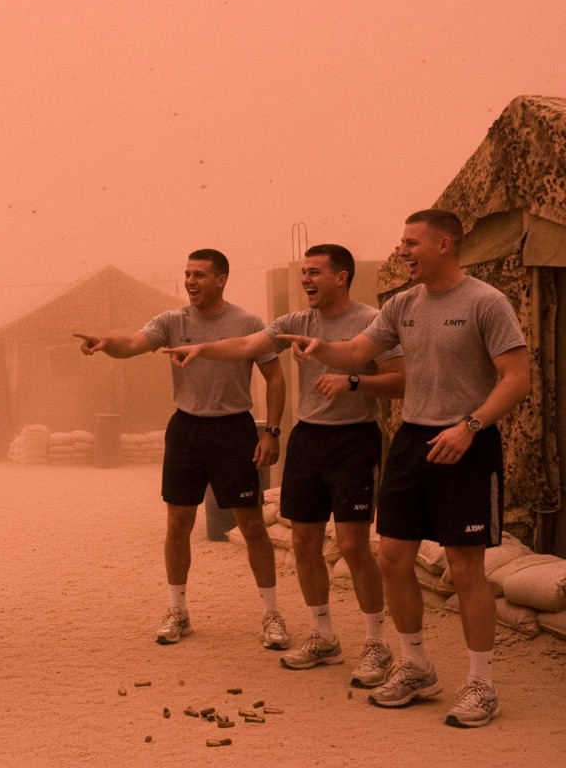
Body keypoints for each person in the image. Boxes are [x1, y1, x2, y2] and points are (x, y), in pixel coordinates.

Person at [281, 209, 529, 728]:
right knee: (392, 557)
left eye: (411, 243)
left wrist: (470, 427)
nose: (402, 251)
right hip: (411, 440)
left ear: (444, 244)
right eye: (401, 243)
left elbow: (516, 378)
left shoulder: (486, 302)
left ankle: (481, 684)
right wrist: (322, 348)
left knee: (465, 568)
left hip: (467, 441)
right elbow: (357, 350)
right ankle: (416, 666)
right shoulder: (401, 304)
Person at [165, 244, 404, 689]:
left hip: (355, 438)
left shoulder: (373, 321)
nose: (305, 280)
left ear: (342, 277)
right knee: (304, 542)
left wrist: (353, 381)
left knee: (353, 545)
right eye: (303, 273)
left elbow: (401, 381)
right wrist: (201, 348)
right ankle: (323, 636)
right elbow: (246, 344)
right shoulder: (295, 322)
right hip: (308, 437)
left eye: (315, 272)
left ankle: (377, 643)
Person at [75, 249, 290, 651]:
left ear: (221, 279)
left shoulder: (247, 323)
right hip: (186, 430)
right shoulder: (172, 321)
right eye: (188, 274)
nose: (190, 281)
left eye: (200, 275)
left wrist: (272, 432)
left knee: (251, 525)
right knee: (178, 524)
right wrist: (105, 343)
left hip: (234, 430)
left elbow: (275, 378)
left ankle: (271, 614)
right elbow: (133, 343)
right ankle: (178, 612)